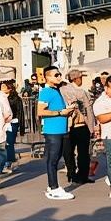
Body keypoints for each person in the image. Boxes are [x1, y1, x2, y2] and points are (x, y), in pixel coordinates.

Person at [37, 66, 75, 200]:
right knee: (53, 160)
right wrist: (60, 112)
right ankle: (53, 188)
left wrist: (67, 110)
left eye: (59, 75)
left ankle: (52, 186)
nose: (59, 77)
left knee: (57, 158)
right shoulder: (46, 91)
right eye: (56, 75)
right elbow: (40, 111)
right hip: (53, 131)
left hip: (61, 129)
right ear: (47, 77)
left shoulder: (56, 90)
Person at [60, 70, 96, 185]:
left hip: (76, 125)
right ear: (76, 79)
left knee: (76, 152)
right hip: (75, 125)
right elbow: (87, 109)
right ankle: (77, 174)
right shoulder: (74, 91)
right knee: (76, 152)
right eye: (81, 78)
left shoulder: (65, 90)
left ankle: (77, 174)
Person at [1, 79, 22, 169]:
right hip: (2, 122)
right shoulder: (0, 98)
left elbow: (19, 112)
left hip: (13, 122)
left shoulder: (15, 98)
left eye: (4, 87)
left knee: (9, 142)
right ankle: (8, 160)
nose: (1, 88)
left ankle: (9, 161)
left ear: (9, 88)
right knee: (4, 143)